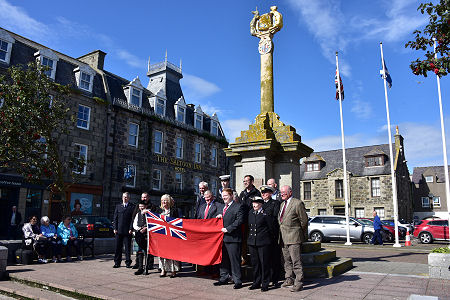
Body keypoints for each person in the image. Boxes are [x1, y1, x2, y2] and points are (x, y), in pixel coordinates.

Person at [278, 185, 308, 292]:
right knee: (286, 261)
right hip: (283, 238)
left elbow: (304, 221)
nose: (282, 194)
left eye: (284, 192)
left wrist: (299, 234)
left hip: (294, 237)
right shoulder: (282, 204)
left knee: (296, 261)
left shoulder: (297, 203)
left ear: (290, 192)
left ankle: (299, 282)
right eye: (281, 192)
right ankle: (289, 279)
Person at [214, 188, 244, 289]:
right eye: (223, 196)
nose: (224, 198)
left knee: (234, 261)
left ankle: (237, 280)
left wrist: (228, 229)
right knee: (223, 260)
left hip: (233, 238)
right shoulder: (222, 207)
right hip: (222, 239)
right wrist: (218, 216)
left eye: (226, 196)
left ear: (231, 196)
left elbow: (239, 221)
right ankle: (224, 278)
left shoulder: (238, 206)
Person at [247, 196, 274, 292]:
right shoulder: (250, 213)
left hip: (263, 242)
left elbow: (271, 228)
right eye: (253, 203)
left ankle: (265, 283)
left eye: (256, 203)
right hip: (252, 242)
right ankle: (256, 282)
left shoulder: (265, 214)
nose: (254, 204)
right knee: (255, 263)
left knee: (264, 264)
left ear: (261, 204)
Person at [260, 185, 282, 287]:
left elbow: (274, 218)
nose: (263, 194)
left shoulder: (275, 203)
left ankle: (275, 278)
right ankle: (267, 278)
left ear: (271, 193)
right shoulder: (260, 204)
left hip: (272, 234)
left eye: (265, 193)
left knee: (275, 258)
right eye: (262, 193)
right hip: (263, 236)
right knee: (266, 259)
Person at [157, 194, 181, 278]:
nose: (164, 202)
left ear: (169, 201)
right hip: (161, 235)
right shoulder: (159, 210)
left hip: (171, 235)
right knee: (162, 254)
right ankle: (163, 270)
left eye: (165, 200)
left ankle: (173, 270)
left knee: (172, 253)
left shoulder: (174, 211)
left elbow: (178, 222)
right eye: (162, 200)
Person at [238, 175, 261, 265]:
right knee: (243, 240)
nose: (245, 183)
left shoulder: (256, 193)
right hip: (243, 221)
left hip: (252, 220)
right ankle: (244, 258)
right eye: (244, 181)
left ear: (252, 181)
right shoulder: (242, 194)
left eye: (247, 181)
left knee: (251, 240)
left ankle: (253, 259)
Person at [132, 192, 156, 271]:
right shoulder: (137, 206)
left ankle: (149, 265)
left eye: (145, 197)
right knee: (139, 249)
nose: (144, 199)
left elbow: (154, 220)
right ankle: (138, 264)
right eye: (142, 197)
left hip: (148, 232)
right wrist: (135, 229)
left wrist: (146, 227)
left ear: (148, 197)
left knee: (148, 249)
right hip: (138, 232)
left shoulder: (153, 207)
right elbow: (134, 218)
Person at [113, 192, 135, 268]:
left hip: (127, 231)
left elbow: (132, 219)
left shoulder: (132, 207)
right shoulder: (118, 206)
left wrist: (131, 228)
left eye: (126, 197)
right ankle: (117, 262)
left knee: (127, 248)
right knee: (117, 247)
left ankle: (128, 262)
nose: (125, 198)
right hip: (118, 230)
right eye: (123, 197)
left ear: (129, 198)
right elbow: (115, 218)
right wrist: (115, 228)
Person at [133, 201, 149, 275]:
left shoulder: (149, 214)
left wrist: (146, 228)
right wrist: (139, 229)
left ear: (145, 206)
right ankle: (140, 268)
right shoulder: (137, 214)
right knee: (139, 252)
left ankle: (146, 268)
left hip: (147, 235)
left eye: (142, 206)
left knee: (146, 252)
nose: (141, 208)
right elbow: (134, 224)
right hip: (139, 235)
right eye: (140, 206)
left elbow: (152, 223)